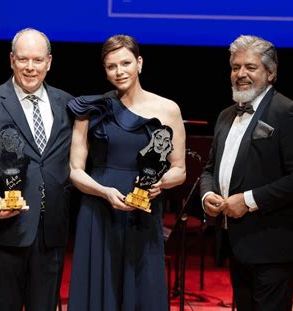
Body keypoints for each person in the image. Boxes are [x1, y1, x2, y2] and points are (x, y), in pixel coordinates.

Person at [67, 34, 186, 311]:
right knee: (99, 289)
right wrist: (104, 191)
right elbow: (75, 171)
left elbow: (179, 169)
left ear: (139, 63)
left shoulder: (168, 109)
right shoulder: (91, 108)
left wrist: (160, 183)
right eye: (111, 66)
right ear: (105, 71)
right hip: (99, 209)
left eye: (126, 63)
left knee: (142, 288)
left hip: (142, 211)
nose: (119, 71)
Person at [200, 35, 293, 311]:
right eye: (235, 67)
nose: (240, 74)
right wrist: (207, 195)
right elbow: (209, 168)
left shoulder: (288, 112)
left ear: (271, 73)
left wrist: (249, 200)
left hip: (272, 243)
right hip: (235, 242)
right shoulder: (225, 115)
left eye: (250, 67)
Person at [0, 28, 74, 311]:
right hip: (4, 232)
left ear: (49, 62)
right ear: (11, 59)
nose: (30, 67)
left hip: (51, 232)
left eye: (37, 60)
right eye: (23, 59)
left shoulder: (67, 104)